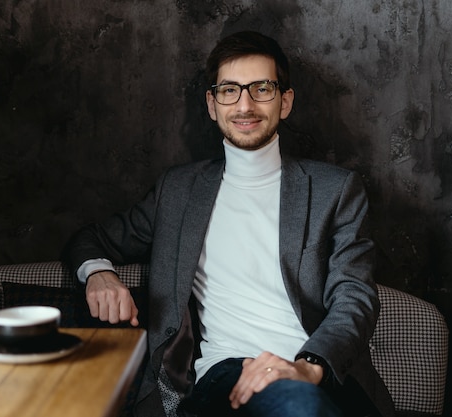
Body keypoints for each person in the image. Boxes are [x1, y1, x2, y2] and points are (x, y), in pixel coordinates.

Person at [63, 31, 395, 417]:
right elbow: (92, 239)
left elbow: (354, 298)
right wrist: (98, 273)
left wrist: (306, 367)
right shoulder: (178, 190)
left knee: (302, 400)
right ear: (212, 103)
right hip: (224, 374)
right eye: (230, 91)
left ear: (285, 102)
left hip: (318, 371)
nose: (245, 104)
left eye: (262, 89)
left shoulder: (335, 190)